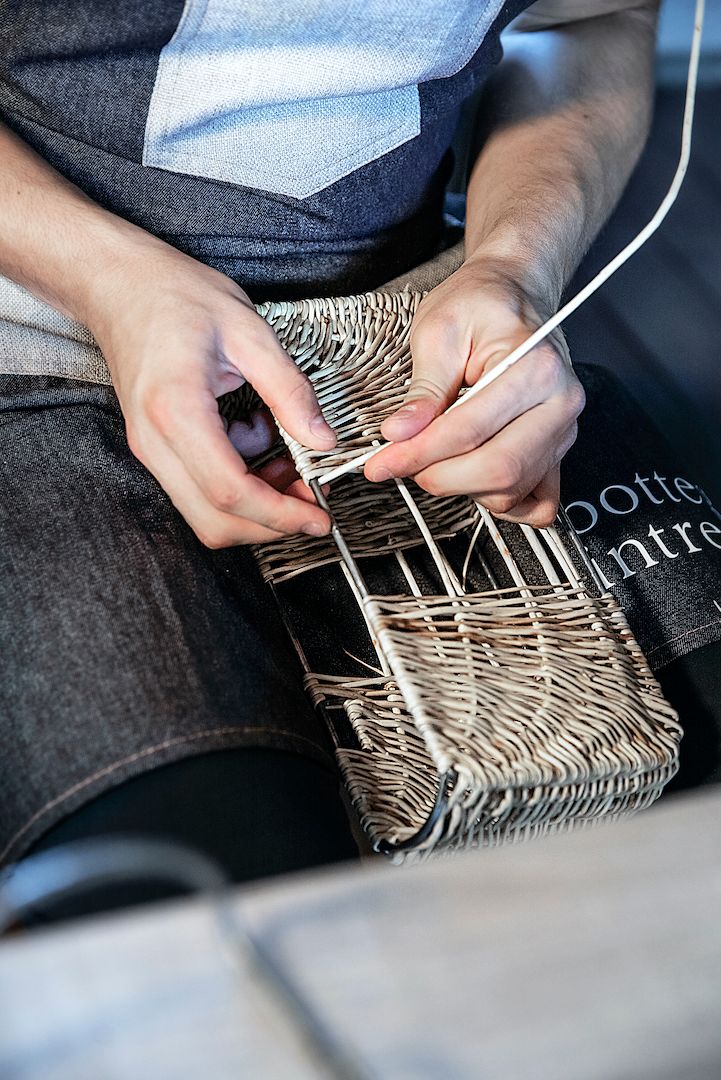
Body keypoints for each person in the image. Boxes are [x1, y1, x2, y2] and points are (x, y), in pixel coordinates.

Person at [1, 0, 719, 922]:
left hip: (423, 338)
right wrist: (116, 284)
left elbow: (591, 20)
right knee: (197, 910)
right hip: (42, 342)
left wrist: (513, 270)